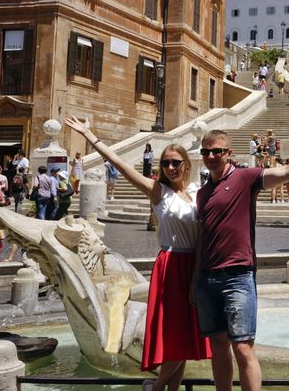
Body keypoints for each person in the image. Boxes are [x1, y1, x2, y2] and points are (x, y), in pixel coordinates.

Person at [65, 117, 213, 391]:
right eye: (165, 163)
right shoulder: (158, 191)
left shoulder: (195, 194)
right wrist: (90, 135)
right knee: (175, 336)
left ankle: (164, 388)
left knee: (184, 336)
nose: (170, 167)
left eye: (175, 163)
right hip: (171, 264)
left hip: (194, 265)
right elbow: (120, 165)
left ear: (186, 165)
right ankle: (156, 388)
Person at [193, 127, 289, 391]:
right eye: (206, 151)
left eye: (216, 151)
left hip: (238, 275)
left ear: (228, 153)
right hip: (207, 277)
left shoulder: (244, 178)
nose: (211, 156)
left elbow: (285, 173)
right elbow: (202, 240)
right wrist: (195, 281)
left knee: (242, 347)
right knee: (217, 347)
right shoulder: (202, 192)